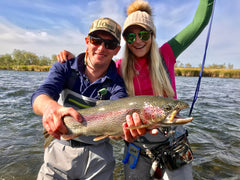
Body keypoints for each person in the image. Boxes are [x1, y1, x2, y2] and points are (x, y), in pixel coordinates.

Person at [57, 0, 214, 179]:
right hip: (136, 144)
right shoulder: (118, 66)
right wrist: (73, 61)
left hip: (172, 141)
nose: (138, 41)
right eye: (131, 36)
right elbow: (95, 62)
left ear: (152, 35)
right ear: (125, 40)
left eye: (143, 35)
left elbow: (198, 22)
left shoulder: (167, 53)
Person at [31, 17, 151, 180]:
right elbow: (41, 95)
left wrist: (125, 131)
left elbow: (116, 133)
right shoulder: (65, 66)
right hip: (59, 152)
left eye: (109, 44)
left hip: (99, 159)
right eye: (96, 41)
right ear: (87, 41)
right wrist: (50, 108)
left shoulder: (117, 84)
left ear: (116, 50)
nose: (102, 48)